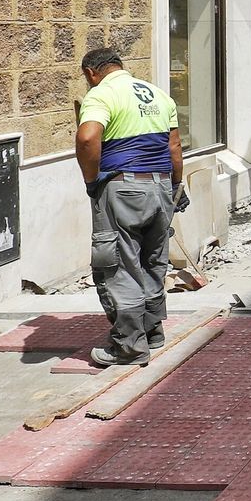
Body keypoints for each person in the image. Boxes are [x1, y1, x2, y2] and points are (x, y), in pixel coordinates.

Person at [73, 47, 186, 366]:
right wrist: (177, 184)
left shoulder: (101, 93)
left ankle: (128, 345)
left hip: (123, 187)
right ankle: (152, 331)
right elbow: (174, 145)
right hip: (160, 185)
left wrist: (92, 180)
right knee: (152, 260)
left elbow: (87, 138)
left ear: (91, 73)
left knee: (119, 264)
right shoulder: (157, 94)